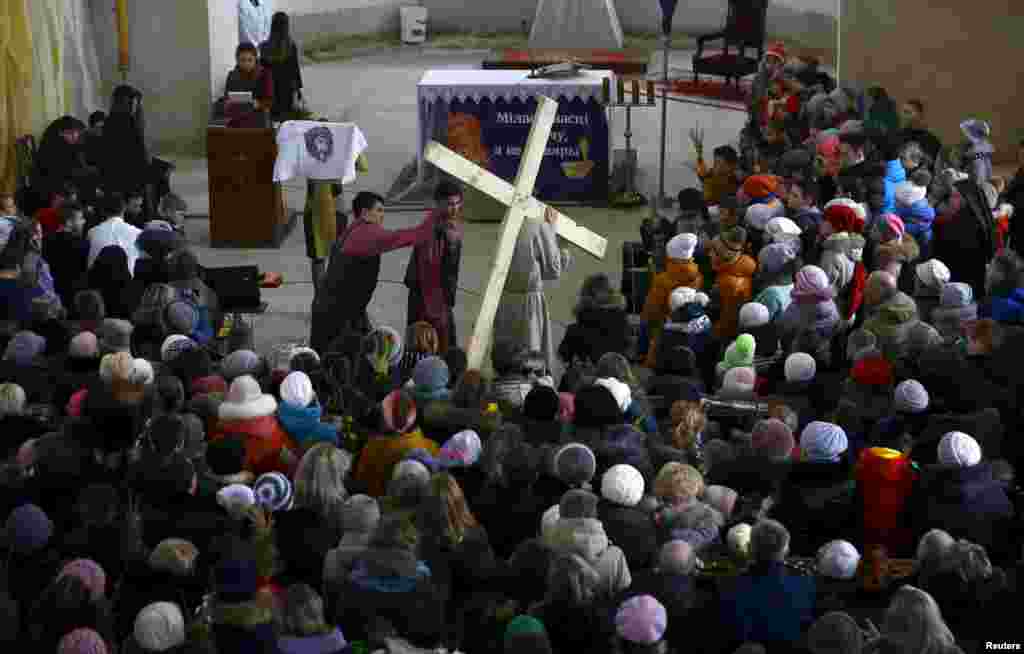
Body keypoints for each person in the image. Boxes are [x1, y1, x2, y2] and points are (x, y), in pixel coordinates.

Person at [309, 191, 438, 354]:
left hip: (335, 309)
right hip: (338, 317)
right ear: (364, 213)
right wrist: (436, 214)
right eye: (378, 210)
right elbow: (410, 237)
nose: (383, 215)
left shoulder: (353, 229)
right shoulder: (367, 234)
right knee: (341, 363)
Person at [492, 205, 570, 371]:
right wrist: (552, 231)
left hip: (505, 299)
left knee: (507, 355)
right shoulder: (538, 224)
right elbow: (553, 269)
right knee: (530, 355)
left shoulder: (507, 219)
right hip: (529, 302)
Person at [405, 181, 464, 353]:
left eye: (457, 203)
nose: (454, 208)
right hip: (429, 297)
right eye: (450, 204)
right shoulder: (434, 230)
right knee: (429, 343)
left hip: (436, 293)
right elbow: (429, 269)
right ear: (438, 204)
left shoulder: (445, 224)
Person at [42, 202, 89, 308]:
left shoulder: (45, 241)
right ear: (68, 222)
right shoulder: (82, 244)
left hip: (51, 296)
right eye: (80, 218)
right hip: (75, 300)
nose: (84, 221)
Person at [259, 12, 304, 122]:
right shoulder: (291, 45)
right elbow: (295, 70)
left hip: (269, 89)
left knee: (271, 121)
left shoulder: (264, 47)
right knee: (286, 123)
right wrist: (298, 91)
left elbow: (262, 71)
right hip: (287, 90)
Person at [86, 192, 142, 275]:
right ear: (124, 208)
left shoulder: (91, 232)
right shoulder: (138, 233)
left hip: (97, 283)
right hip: (128, 283)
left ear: (103, 211)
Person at [220, 42, 273, 128]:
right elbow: (227, 97)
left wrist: (258, 103)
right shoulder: (232, 75)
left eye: (250, 60)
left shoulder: (264, 74)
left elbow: (270, 101)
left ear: (255, 59)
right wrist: (227, 103)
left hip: (258, 120)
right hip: (236, 120)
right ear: (237, 60)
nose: (246, 64)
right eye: (242, 60)